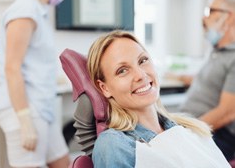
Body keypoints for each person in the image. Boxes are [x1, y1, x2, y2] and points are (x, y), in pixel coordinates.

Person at [87, 30, 231, 168]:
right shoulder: (115, 144)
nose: (141, 75)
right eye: (122, 70)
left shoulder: (192, 129)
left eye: (143, 60)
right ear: (104, 88)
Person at [0, 0, 71, 167]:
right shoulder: (24, 11)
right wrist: (24, 122)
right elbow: (11, 68)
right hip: (25, 109)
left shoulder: (37, 10)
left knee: (63, 162)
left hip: (42, 106)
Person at [178, 0, 235, 161]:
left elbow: (227, 112)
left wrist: (185, 132)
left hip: (215, 134)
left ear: (231, 17)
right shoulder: (217, 52)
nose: (204, 19)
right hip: (193, 125)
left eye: (210, 11)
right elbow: (209, 82)